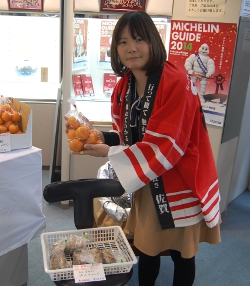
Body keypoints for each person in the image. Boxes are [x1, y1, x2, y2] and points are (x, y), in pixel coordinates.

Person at [69, 11, 221, 286]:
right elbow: (129, 137)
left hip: (181, 180)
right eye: (123, 42)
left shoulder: (176, 83)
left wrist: (109, 153)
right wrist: (99, 139)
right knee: (147, 247)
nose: (131, 48)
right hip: (148, 180)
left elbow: (166, 145)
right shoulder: (124, 86)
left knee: (181, 254)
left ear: (153, 41)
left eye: (139, 39)